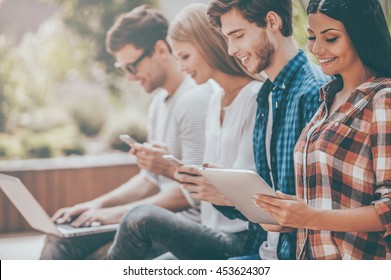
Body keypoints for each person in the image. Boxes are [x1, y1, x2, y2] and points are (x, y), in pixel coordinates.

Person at [40, 5, 212, 259]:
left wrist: (116, 213)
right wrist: (94, 205)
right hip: (152, 219)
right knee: (59, 236)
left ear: (161, 49)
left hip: (184, 226)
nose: (130, 78)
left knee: (95, 256)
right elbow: (150, 180)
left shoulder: (195, 100)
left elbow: (192, 193)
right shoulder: (159, 103)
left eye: (132, 67)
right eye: (123, 69)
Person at [106, 4, 263, 260]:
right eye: (178, 58)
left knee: (140, 218)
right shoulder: (215, 101)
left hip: (241, 237)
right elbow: (206, 179)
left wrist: (171, 169)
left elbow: (246, 187)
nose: (181, 68)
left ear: (210, 46)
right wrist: (172, 165)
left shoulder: (254, 99)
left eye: (186, 57)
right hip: (211, 230)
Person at [254, 0, 391, 260]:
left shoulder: (383, 99)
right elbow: (327, 201)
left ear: (361, 34)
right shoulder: (327, 100)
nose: (317, 49)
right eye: (311, 37)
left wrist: (313, 217)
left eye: (330, 38)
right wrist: (290, 216)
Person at [206, 0, 330, 260]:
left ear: (272, 22)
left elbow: (315, 209)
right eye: (227, 39)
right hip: (264, 253)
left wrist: (230, 196)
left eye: (238, 35)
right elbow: (269, 206)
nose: (231, 49)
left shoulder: (315, 93)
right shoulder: (265, 97)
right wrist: (224, 192)